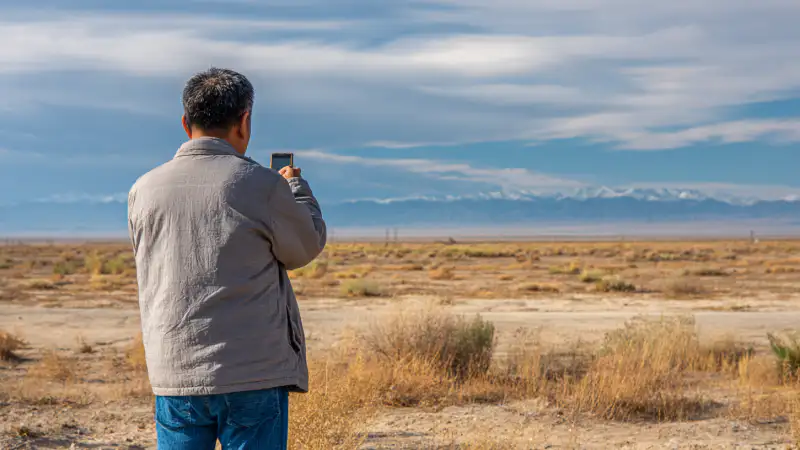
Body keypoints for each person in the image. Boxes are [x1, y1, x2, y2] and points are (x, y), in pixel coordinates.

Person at [127, 67, 326, 450]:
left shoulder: (143, 189)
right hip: (252, 374)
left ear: (186, 123)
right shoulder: (263, 185)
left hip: (175, 370)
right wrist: (297, 190)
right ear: (245, 120)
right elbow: (304, 247)